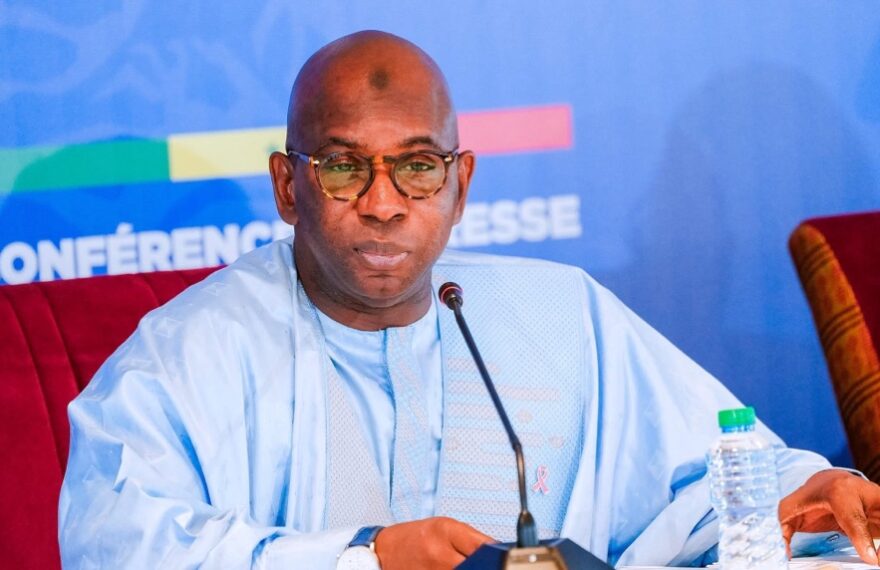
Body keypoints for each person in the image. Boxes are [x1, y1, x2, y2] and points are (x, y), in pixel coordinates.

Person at [59, 30, 880, 569]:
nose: (384, 204)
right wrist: (367, 557)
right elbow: (118, 546)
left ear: (461, 185)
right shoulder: (184, 354)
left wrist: (797, 492)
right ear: (286, 186)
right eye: (343, 167)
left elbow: (706, 479)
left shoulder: (563, 313)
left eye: (418, 167)